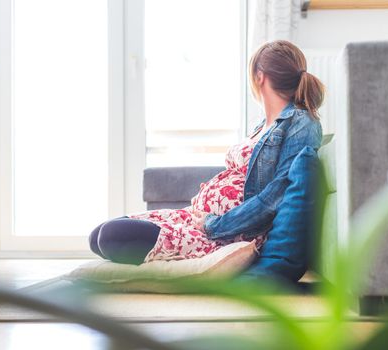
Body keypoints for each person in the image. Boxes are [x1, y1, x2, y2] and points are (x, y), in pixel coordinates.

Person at [89, 40, 324, 266]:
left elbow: (276, 196)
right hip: (200, 220)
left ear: (259, 77)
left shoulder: (301, 122)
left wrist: (215, 224)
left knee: (112, 236)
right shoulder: (262, 125)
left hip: (226, 234)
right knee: (97, 236)